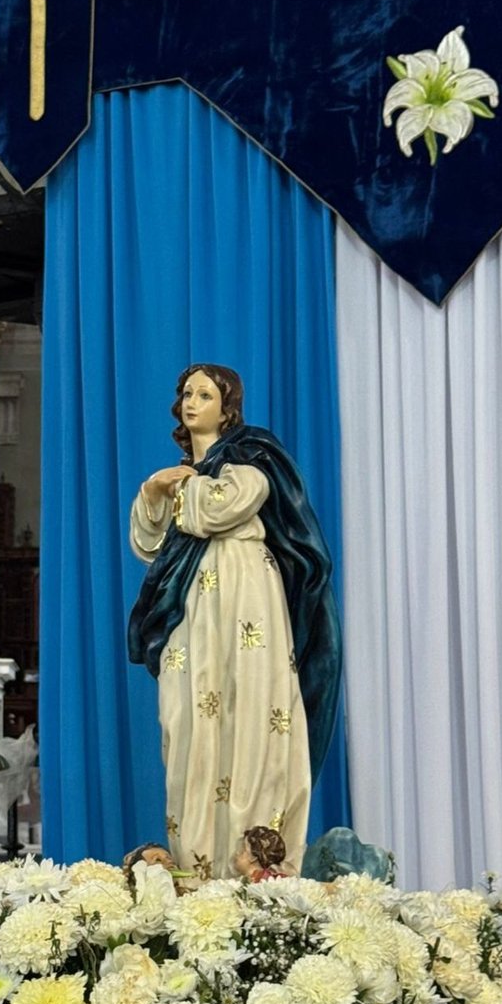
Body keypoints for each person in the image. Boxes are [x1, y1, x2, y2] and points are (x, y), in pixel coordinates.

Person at [127, 364, 341, 881]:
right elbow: (149, 544)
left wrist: (176, 488)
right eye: (186, 393)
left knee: (252, 712)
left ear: (228, 408)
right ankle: (197, 865)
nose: (192, 401)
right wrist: (155, 489)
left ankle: (255, 864)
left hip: (245, 589)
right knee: (187, 720)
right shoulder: (182, 477)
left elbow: (221, 508)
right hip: (192, 601)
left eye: (205, 393)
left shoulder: (251, 456)